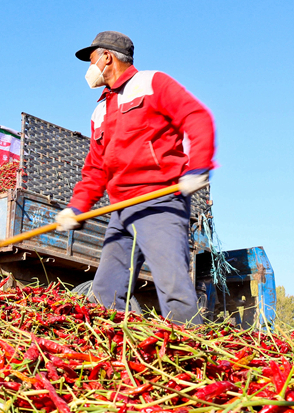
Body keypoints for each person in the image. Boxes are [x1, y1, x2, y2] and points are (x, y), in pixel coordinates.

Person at [55, 31, 215, 325]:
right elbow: (96, 168)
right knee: (105, 292)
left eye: (91, 60)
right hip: (122, 210)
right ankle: (111, 354)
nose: (89, 70)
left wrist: (198, 166)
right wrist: (77, 207)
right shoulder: (100, 111)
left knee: (173, 287)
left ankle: (193, 357)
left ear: (107, 57)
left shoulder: (152, 84)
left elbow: (197, 117)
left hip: (160, 200)